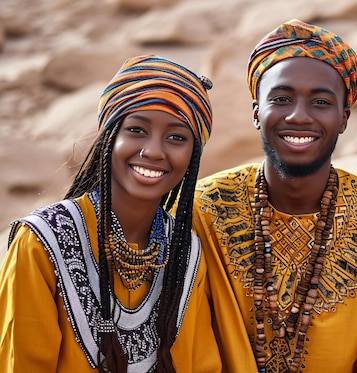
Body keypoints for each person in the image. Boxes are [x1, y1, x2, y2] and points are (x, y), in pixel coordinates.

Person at [192, 19, 357, 373]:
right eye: (281, 98)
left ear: (344, 117)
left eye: (320, 102)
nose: (298, 116)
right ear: (256, 113)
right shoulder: (205, 209)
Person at [0, 55, 221, 372]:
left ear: (193, 155)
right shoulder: (42, 242)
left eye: (176, 137)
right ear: (109, 137)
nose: (154, 151)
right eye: (136, 130)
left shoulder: (184, 253)